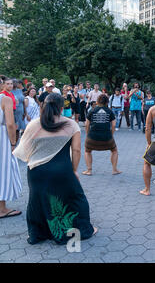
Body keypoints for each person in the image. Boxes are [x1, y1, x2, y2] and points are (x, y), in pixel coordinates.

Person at [13, 93, 97, 244]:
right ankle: (80, 230)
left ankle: (38, 234)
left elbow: (25, 149)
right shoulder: (71, 124)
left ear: (43, 105)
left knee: (37, 201)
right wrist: (74, 170)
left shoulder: (34, 124)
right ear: (61, 106)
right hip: (62, 170)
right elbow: (77, 150)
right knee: (75, 199)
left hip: (37, 171)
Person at [0, 76, 22, 219]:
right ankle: (2, 209)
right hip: (2, 138)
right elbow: (10, 123)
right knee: (3, 170)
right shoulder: (5, 99)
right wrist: (13, 143)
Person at [83, 94, 121, 176]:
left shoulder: (92, 111)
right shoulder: (109, 111)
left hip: (92, 137)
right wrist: (111, 134)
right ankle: (114, 170)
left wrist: (87, 135)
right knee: (114, 151)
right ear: (107, 102)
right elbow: (114, 125)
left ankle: (89, 170)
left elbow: (87, 124)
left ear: (97, 102)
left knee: (87, 151)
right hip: (107, 138)